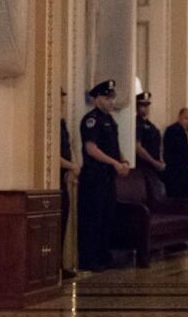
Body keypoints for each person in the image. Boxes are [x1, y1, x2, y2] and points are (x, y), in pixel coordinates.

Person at [78, 79, 130, 272]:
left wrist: (123, 161)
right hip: (94, 178)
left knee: (106, 218)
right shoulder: (91, 120)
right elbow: (91, 149)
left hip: (108, 178)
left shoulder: (110, 120)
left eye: (112, 98)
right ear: (97, 98)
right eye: (107, 98)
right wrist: (114, 163)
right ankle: (88, 259)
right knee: (93, 219)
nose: (110, 102)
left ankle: (102, 256)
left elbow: (114, 148)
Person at [59, 88, 80, 277]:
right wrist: (71, 166)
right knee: (57, 222)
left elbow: (68, 148)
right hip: (54, 179)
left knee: (63, 221)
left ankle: (59, 265)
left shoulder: (61, 124)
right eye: (60, 100)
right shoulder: (51, 124)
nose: (62, 104)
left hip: (64, 178)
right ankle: (55, 266)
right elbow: (52, 154)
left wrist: (73, 167)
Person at [162, 107, 188, 200]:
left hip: (186, 174)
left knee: (185, 201)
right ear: (179, 118)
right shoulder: (173, 130)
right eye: (186, 118)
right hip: (175, 174)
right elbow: (180, 149)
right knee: (175, 201)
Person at [135, 91, 165, 175]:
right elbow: (137, 146)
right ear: (137, 106)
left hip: (153, 168)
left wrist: (160, 160)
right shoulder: (136, 123)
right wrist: (153, 162)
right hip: (142, 167)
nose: (146, 108)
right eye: (143, 105)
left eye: (147, 105)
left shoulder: (150, 125)